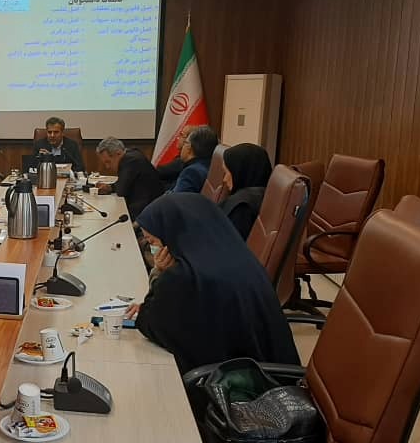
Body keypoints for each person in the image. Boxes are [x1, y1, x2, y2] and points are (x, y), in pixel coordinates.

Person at [126, 194, 299, 374]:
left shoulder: (184, 278)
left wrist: (160, 272)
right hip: (275, 375)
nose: (153, 249)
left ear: (172, 236)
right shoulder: (239, 257)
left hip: (239, 388)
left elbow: (149, 322)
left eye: (153, 242)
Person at [94, 137, 165, 218]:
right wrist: (110, 187)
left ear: (118, 153)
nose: (107, 166)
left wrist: (112, 188)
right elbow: (126, 182)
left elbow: (121, 191)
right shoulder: (132, 153)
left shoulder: (130, 161)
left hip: (146, 213)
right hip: (146, 207)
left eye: (108, 162)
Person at [219, 143, 273, 240]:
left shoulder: (242, 207)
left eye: (227, 172)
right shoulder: (267, 195)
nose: (224, 179)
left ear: (240, 171)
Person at [170, 125, 219, 194]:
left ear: (189, 148)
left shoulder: (191, 172)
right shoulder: (209, 165)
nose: (182, 147)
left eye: (185, 143)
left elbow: (175, 200)